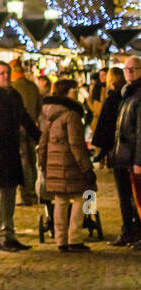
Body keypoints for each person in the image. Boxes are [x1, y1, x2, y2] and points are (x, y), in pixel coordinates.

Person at [0, 61, 40, 252]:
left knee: (10, 196)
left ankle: (10, 234)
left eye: (7, 73)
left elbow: (25, 118)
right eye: (1, 73)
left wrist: (38, 137)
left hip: (12, 151)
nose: (4, 76)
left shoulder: (15, 95)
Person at [36, 78, 95, 253]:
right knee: (82, 197)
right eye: (73, 89)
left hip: (53, 164)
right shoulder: (72, 114)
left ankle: (60, 239)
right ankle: (74, 237)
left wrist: (42, 162)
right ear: (66, 92)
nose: (76, 92)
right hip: (70, 164)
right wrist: (86, 167)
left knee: (60, 200)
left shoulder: (48, 113)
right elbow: (76, 144)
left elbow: (43, 141)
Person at [111, 57, 141, 247]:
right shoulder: (126, 94)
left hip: (132, 157)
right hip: (121, 155)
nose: (129, 71)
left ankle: (136, 232)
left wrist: (139, 161)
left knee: (136, 198)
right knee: (125, 198)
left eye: (133, 68)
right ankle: (128, 231)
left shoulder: (138, 95)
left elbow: (140, 132)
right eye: (126, 68)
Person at [11, 60, 43, 204]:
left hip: (18, 128)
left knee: (23, 161)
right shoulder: (32, 87)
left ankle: (25, 193)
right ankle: (32, 192)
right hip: (32, 127)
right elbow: (39, 108)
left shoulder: (12, 88)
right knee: (32, 160)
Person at [91, 67, 124, 167]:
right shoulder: (98, 89)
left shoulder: (114, 97)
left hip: (117, 137)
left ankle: (103, 155)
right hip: (99, 119)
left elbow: (107, 122)